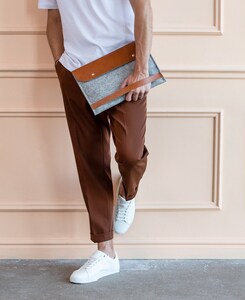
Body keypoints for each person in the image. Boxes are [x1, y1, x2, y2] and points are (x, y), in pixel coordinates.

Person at [38, 0, 152, 284]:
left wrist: (140, 69)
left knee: (130, 153)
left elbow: (144, 9)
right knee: (90, 160)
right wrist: (60, 67)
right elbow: (54, 18)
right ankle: (106, 252)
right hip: (76, 70)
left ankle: (128, 189)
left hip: (123, 67)